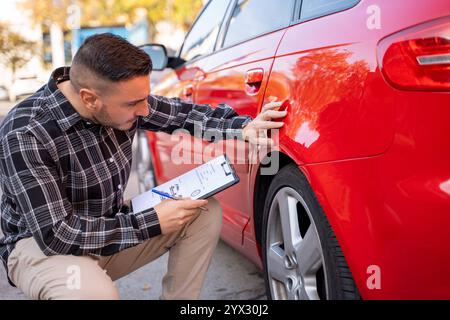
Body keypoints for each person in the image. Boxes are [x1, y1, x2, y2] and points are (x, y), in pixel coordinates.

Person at [0, 33, 286, 300]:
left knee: (202, 210)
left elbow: (181, 115)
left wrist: (244, 127)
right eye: (134, 103)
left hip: (107, 226)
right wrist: (154, 221)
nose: (145, 111)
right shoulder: (26, 133)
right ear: (89, 98)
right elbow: (57, 234)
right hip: (42, 248)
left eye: (145, 98)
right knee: (92, 294)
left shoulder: (118, 98)